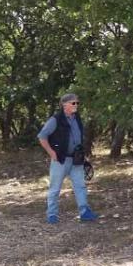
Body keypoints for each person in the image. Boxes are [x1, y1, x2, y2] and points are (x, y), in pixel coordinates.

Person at [38, 93, 99, 224]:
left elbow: (79, 137)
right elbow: (42, 136)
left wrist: (83, 154)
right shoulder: (56, 119)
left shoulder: (77, 118)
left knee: (80, 186)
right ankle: (52, 215)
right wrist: (51, 152)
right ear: (64, 105)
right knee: (55, 188)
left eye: (77, 103)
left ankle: (85, 213)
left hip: (76, 159)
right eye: (73, 103)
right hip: (60, 159)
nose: (76, 105)